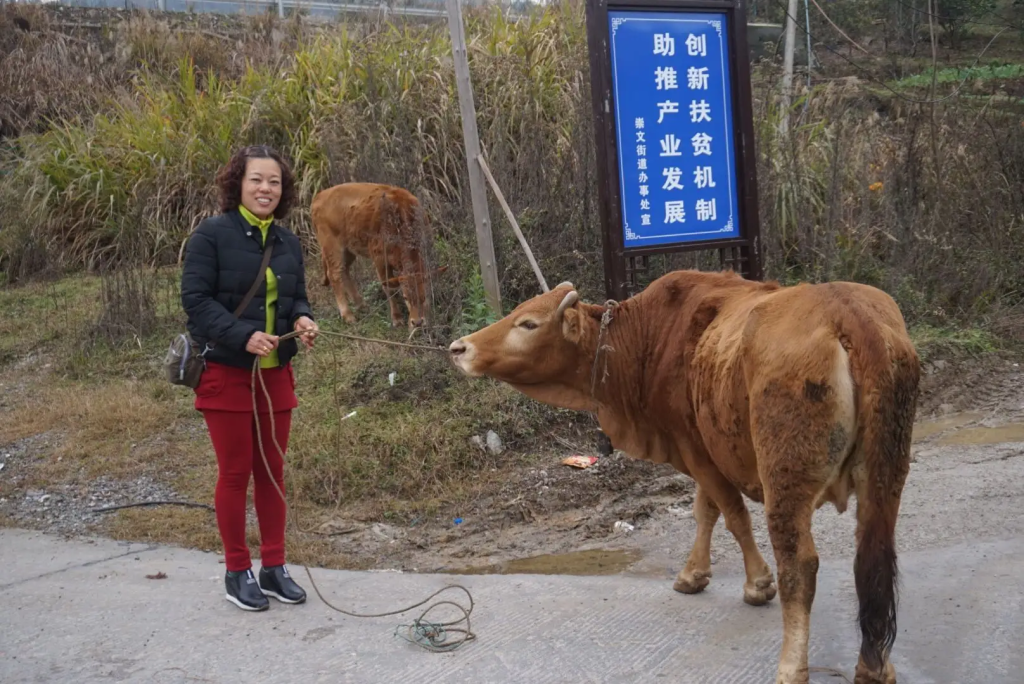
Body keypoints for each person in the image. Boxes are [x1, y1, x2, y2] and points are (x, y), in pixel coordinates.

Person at [180, 145, 319, 612]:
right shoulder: (211, 236)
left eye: (274, 182)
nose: (266, 189)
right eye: (257, 180)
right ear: (238, 184)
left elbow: (296, 297)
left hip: (276, 375)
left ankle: (274, 568)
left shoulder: (288, 242)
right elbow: (197, 304)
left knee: (272, 473)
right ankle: (237, 571)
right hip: (226, 374)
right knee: (236, 474)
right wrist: (244, 336)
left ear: (284, 191)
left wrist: (303, 321)